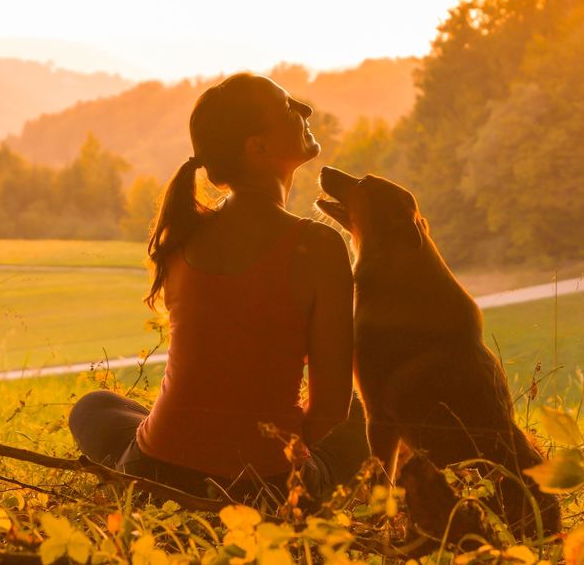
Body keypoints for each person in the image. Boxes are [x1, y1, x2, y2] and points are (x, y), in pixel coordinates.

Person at [68, 73, 367, 505]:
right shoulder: (318, 245)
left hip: (156, 471)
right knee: (362, 414)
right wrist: (267, 449)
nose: (306, 111)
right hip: (264, 487)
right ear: (257, 147)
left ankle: (139, 472)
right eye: (288, 108)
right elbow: (329, 411)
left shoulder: (186, 233)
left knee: (93, 406)